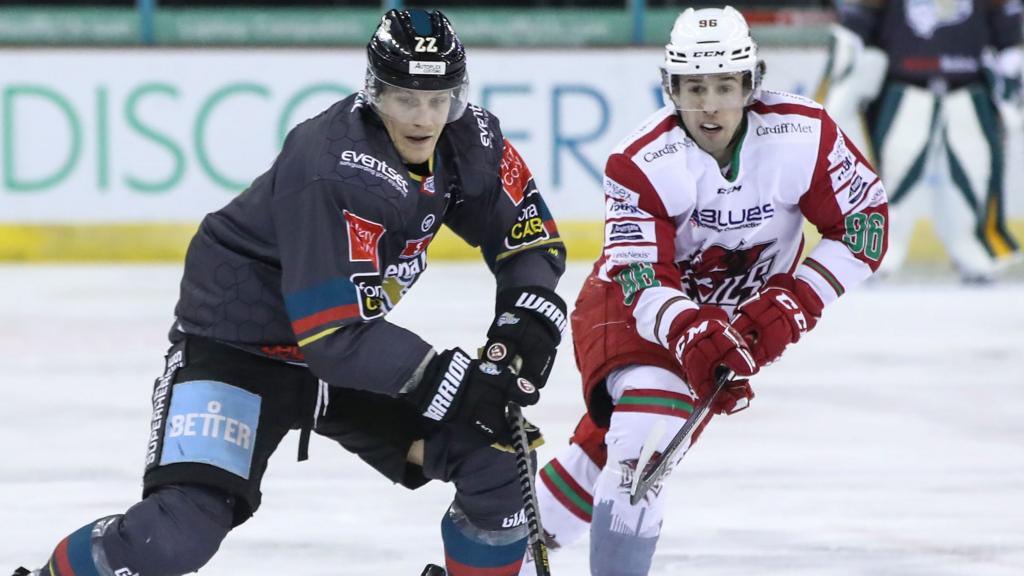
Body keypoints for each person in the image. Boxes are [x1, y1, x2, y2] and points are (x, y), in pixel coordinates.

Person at [13, 9, 568, 576]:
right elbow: (335, 337)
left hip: (343, 356)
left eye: (440, 97)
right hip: (240, 350)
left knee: (497, 465)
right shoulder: (332, 166)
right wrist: (457, 385)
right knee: (178, 532)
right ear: (375, 92)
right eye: (405, 98)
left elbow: (530, 242)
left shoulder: (472, 137)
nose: (425, 118)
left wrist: (524, 324)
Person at [519, 6, 888, 576]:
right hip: (630, 306)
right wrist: (689, 328)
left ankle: (499, 551)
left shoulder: (805, 135)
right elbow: (641, 273)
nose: (710, 104)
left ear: (750, 83)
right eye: (694, 87)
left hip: (734, 325)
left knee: (606, 454)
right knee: (648, 431)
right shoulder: (641, 161)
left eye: (724, 86)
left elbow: (866, 223)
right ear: (671, 87)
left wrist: (794, 304)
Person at [817, 0, 1021, 282]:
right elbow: (856, 22)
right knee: (889, 179)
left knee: (977, 176)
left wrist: (1012, 73)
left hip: (969, 90)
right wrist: (841, 77)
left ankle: (975, 250)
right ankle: (877, 252)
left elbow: (1005, 23)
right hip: (905, 88)